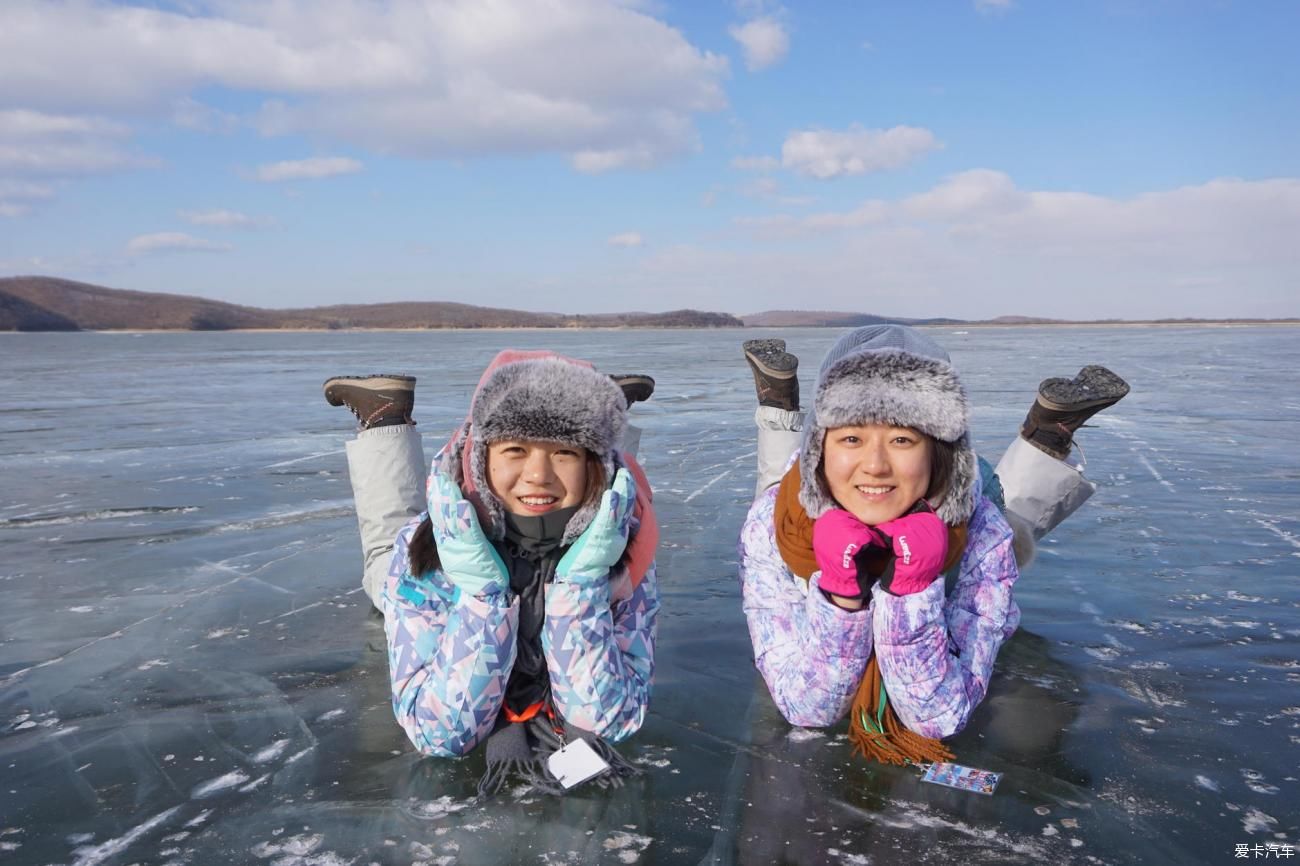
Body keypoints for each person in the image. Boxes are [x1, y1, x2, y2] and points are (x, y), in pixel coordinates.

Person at [737, 325, 1129, 766]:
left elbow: (937, 718)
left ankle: (779, 402)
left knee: (987, 523)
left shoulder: (981, 528)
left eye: (903, 439)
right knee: (784, 501)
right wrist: (841, 597)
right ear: (820, 445)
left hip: (958, 501)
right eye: (850, 436)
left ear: (938, 450)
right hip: (814, 494)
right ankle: (1045, 436)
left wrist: (912, 590)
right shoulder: (772, 523)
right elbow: (808, 708)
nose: (876, 465)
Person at [323, 353, 660, 797]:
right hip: (441, 557)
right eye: (515, 449)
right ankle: (384, 417)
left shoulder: (626, 551)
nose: (538, 473)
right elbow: (440, 734)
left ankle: (595, 406)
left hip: (580, 504)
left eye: (564, 451)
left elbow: (606, 721)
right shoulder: (423, 556)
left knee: (587, 507)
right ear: (481, 457)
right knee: (387, 551)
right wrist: (482, 594)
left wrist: (582, 584)